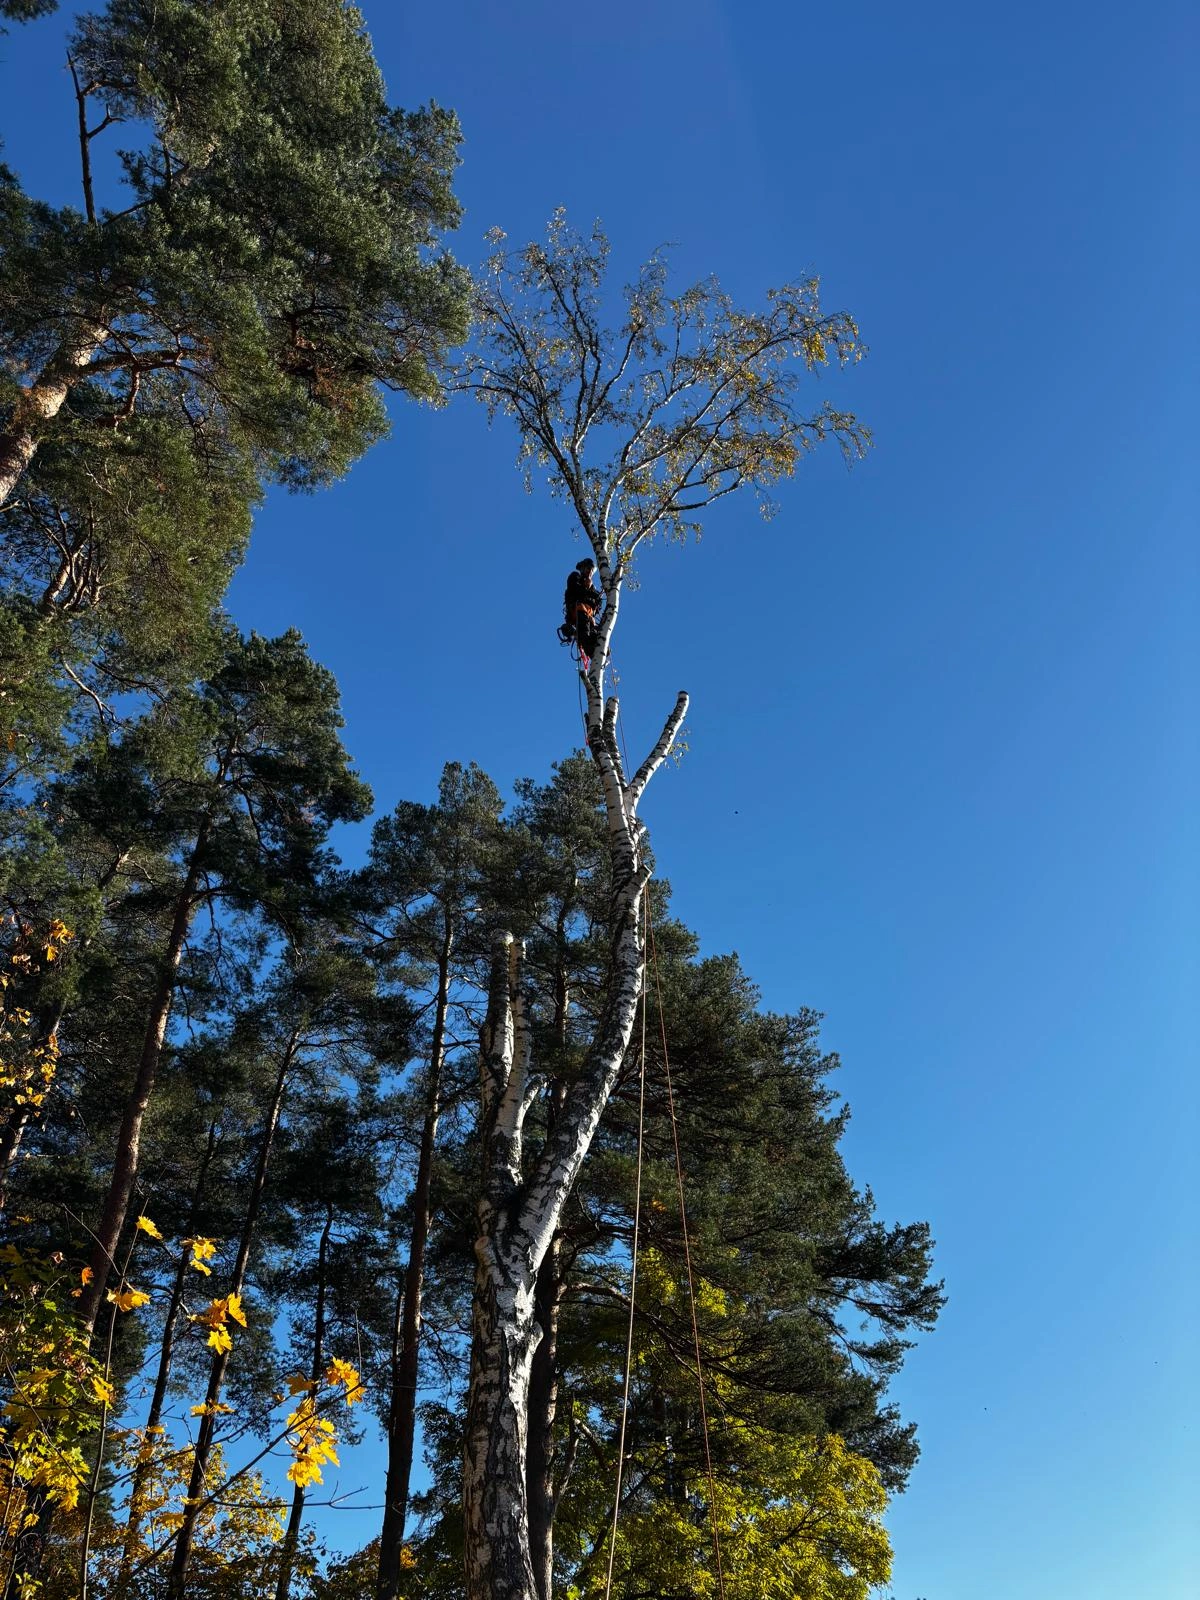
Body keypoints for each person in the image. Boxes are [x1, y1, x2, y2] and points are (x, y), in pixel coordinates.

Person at [558, 557, 602, 662]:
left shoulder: (592, 587)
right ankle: (594, 656)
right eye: (588, 569)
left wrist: (592, 593)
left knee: (596, 635)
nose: (590, 572)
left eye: (592, 570)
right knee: (584, 635)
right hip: (578, 611)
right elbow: (576, 590)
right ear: (582, 568)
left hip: (588, 615)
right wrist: (588, 589)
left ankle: (601, 654)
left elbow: (599, 603)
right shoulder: (575, 576)